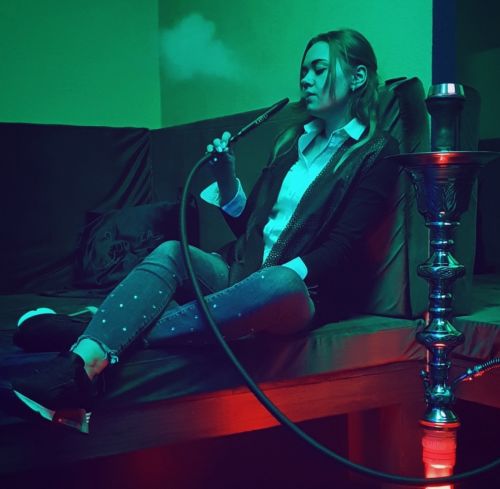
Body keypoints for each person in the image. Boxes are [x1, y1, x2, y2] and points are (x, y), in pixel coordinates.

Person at [0, 28, 399, 432]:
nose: (305, 80)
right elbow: (249, 227)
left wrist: (264, 282)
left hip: (299, 293)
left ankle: (101, 328)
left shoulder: (376, 152)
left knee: (277, 281)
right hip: (241, 272)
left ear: (358, 77)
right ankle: (81, 365)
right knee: (173, 251)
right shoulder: (289, 142)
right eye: (303, 71)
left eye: (318, 69)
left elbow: (342, 247)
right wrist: (226, 176)